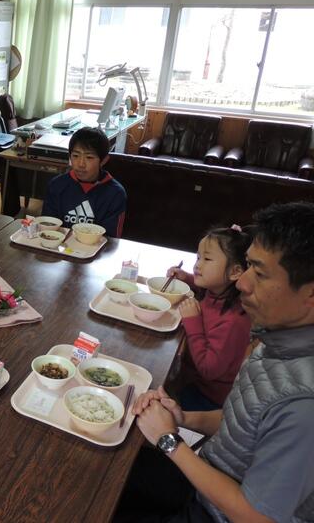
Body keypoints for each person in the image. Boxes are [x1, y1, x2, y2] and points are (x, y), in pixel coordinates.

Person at [115, 201, 314, 523]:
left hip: (216, 513)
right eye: (247, 266)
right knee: (104, 469)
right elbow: (244, 423)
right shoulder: (277, 339)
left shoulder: (304, 405)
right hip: (208, 476)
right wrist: (182, 418)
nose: (242, 282)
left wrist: (169, 441)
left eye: (259, 273)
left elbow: (258, 517)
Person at [168, 225, 253, 410]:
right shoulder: (219, 290)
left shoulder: (234, 320)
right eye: (198, 257)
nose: (197, 265)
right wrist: (187, 278)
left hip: (206, 396)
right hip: (190, 375)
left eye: (207, 259)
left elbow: (209, 370)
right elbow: (208, 286)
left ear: (235, 272)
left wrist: (193, 322)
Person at [41, 126, 127, 237]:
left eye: (89, 157)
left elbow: (111, 239)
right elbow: (48, 227)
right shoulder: (56, 185)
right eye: (75, 156)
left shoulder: (115, 193)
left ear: (103, 160)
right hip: (61, 245)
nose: (81, 164)